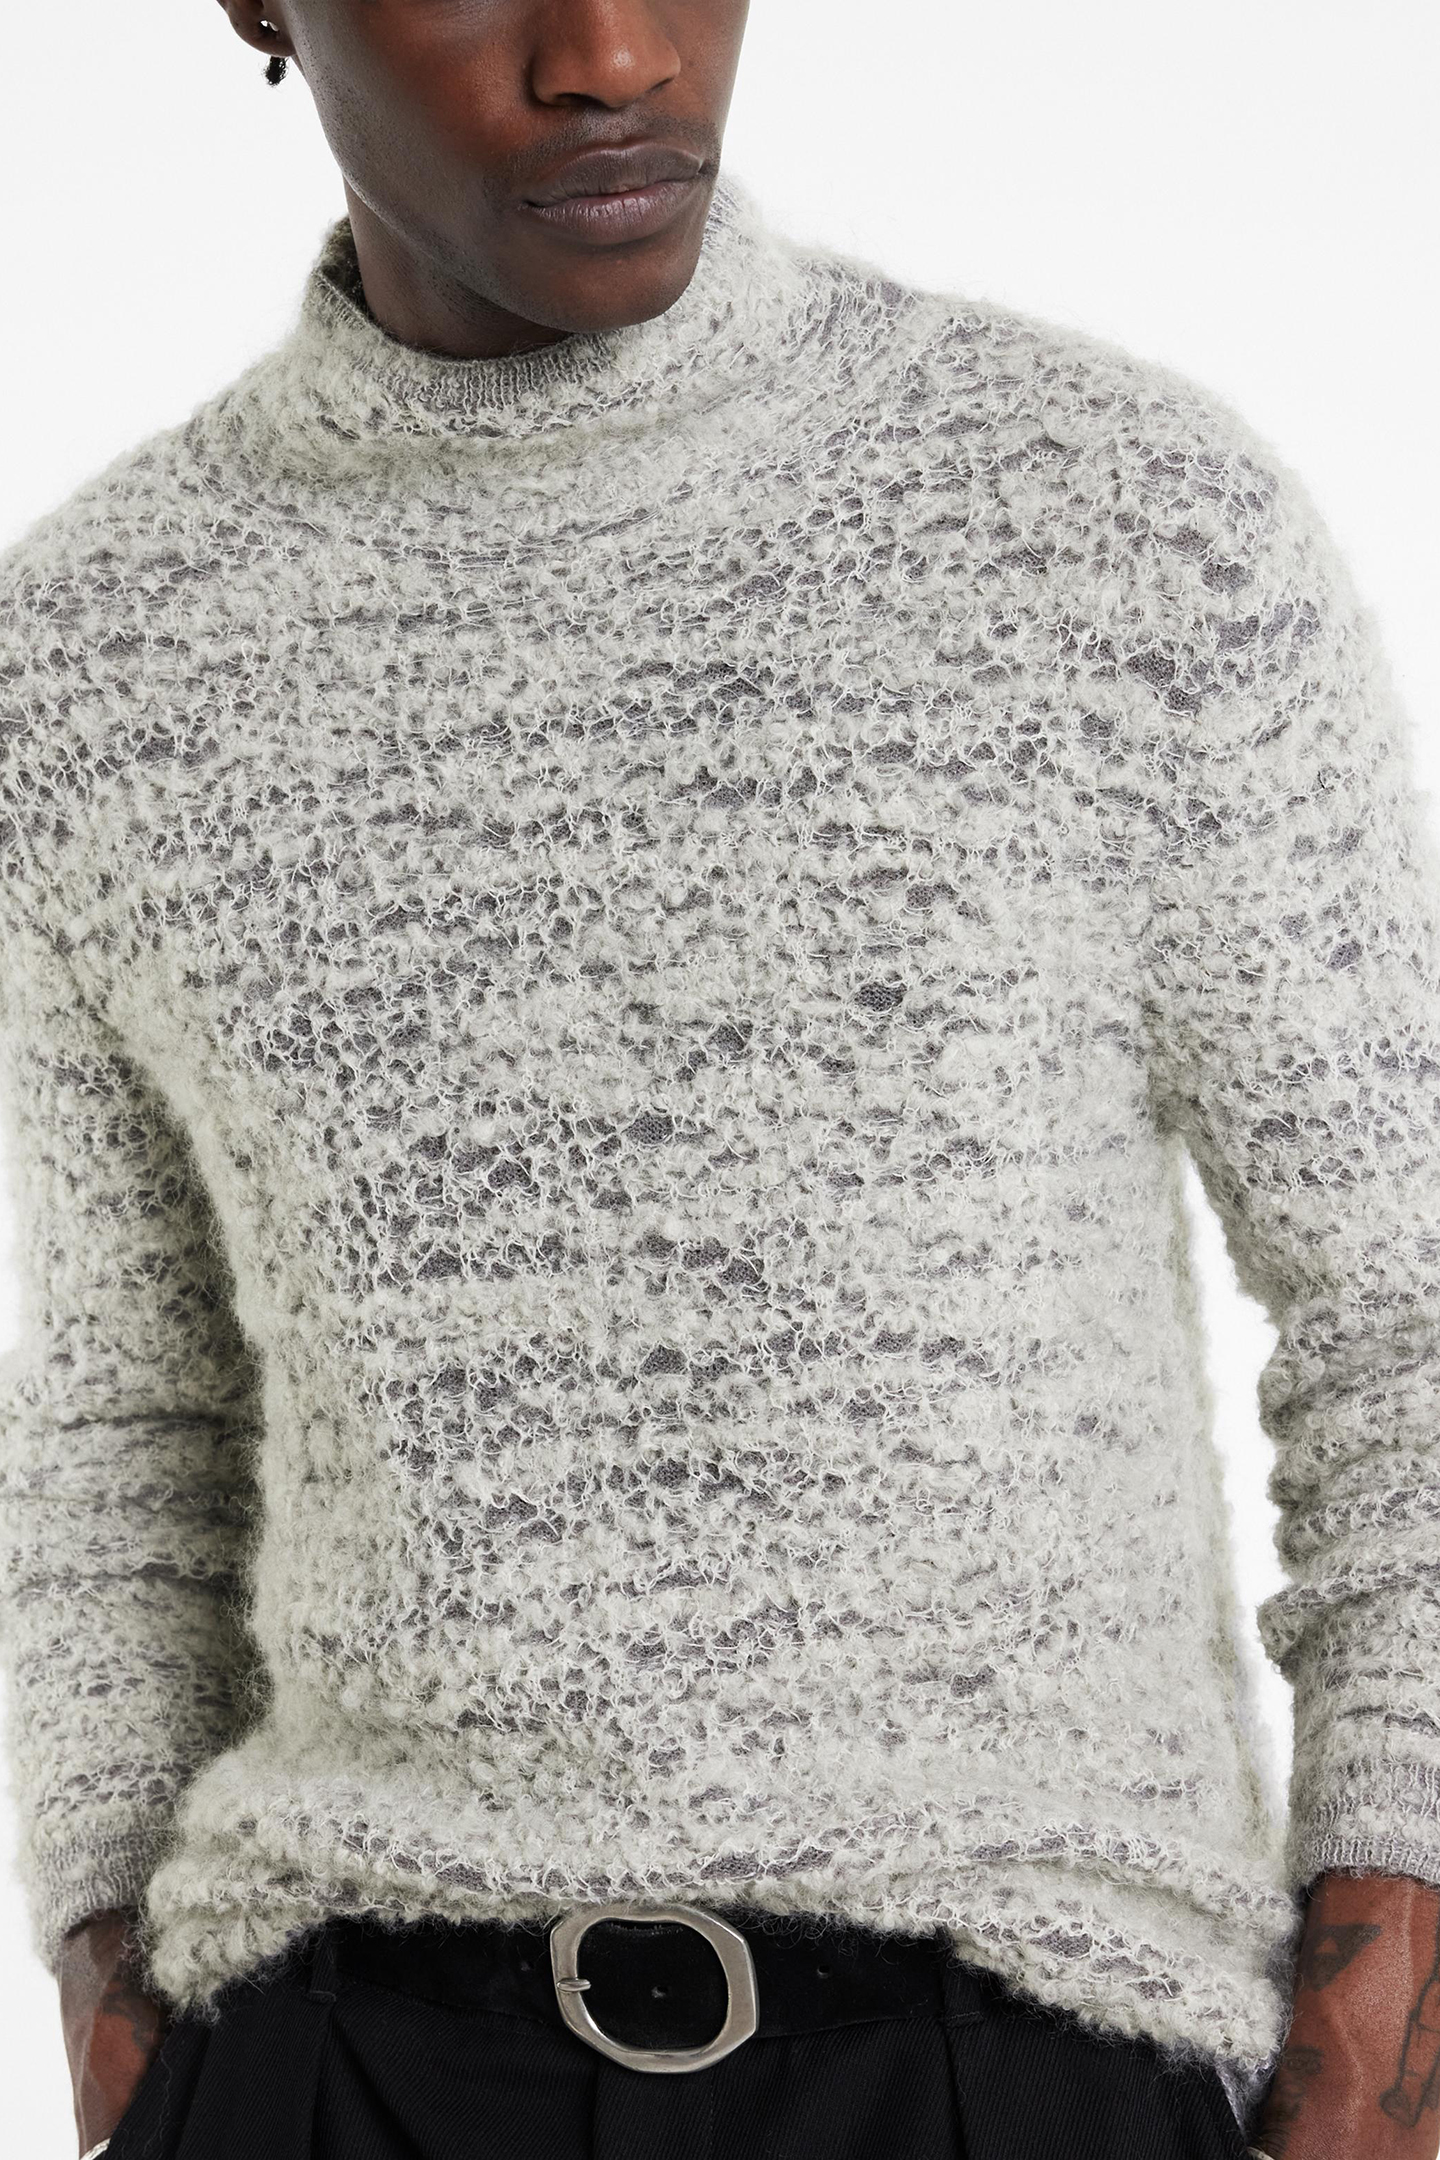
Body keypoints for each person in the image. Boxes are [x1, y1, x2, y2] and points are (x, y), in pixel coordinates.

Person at [1, 3, 1438, 2157]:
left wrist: (1384, 2032)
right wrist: (118, 1990)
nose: (614, 53)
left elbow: (1404, 1304)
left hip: (1015, 2056)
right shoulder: (90, 655)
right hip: (337, 2062)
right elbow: (131, 1418)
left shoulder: (1111, 523)